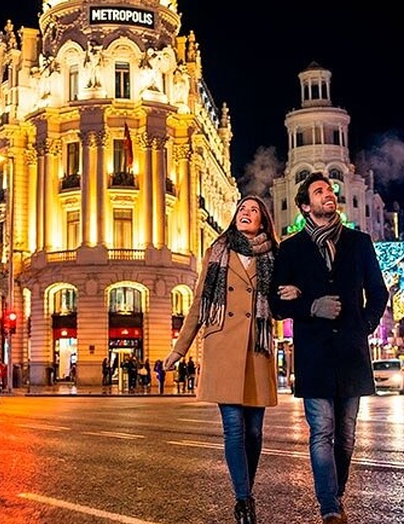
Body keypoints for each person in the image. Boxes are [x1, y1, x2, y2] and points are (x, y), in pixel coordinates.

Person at [163, 194, 299, 524]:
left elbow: (280, 307)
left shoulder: (274, 255)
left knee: (254, 433)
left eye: (253, 210)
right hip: (223, 345)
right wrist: (179, 349)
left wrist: (294, 294)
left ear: (263, 221)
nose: (245, 213)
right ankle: (244, 500)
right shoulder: (218, 250)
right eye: (242, 209)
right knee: (234, 429)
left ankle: (245, 489)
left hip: (257, 348)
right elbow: (199, 302)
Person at [268, 172, 389, 524]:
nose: (329, 194)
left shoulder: (359, 242)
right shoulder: (291, 248)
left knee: (346, 434)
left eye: (330, 190)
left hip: (352, 353)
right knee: (322, 430)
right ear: (305, 206)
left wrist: (365, 325)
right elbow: (277, 304)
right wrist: (310, 306)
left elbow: (378, 292)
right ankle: (329, 507)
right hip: (315, 354)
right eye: (319, 191)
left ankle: (336, 491)